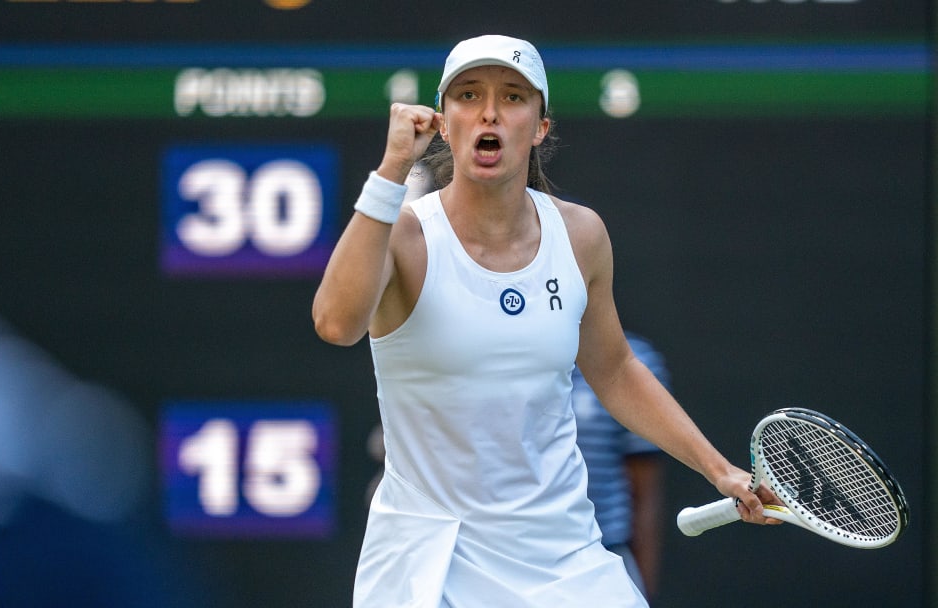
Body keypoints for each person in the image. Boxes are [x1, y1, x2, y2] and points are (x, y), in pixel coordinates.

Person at [312, 34, 779, 607]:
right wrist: (390, 170)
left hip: (564, 558)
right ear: (443, 121)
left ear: (539, 127)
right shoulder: (405, 235)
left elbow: (614, 369)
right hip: (429, 566)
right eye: (467, 95)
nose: (489, 111)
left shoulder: (581, 236)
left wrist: (721, 470)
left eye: (512, 97)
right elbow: (335, 322)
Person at [573, 333, 668, 602]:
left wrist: (642, 593)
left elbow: (644, 492)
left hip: (605, 555)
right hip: (517, 557)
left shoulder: (639, 361)